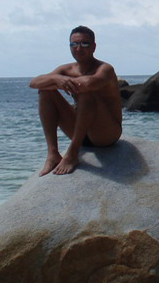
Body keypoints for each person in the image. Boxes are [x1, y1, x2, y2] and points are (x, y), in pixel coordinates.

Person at [29, 26, 123, 176]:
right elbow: (34, 83)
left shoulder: (105, 69)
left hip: (105, 134)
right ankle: (53, 153)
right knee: (45, 92)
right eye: (74, 44)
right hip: (80, 132)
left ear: (93, 47)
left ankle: (72, 153)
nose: (78, 48)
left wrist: (58, 81)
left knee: (86, 95)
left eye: (84, 44)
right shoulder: (66, 70)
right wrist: (56, 79)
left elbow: (87, 84)